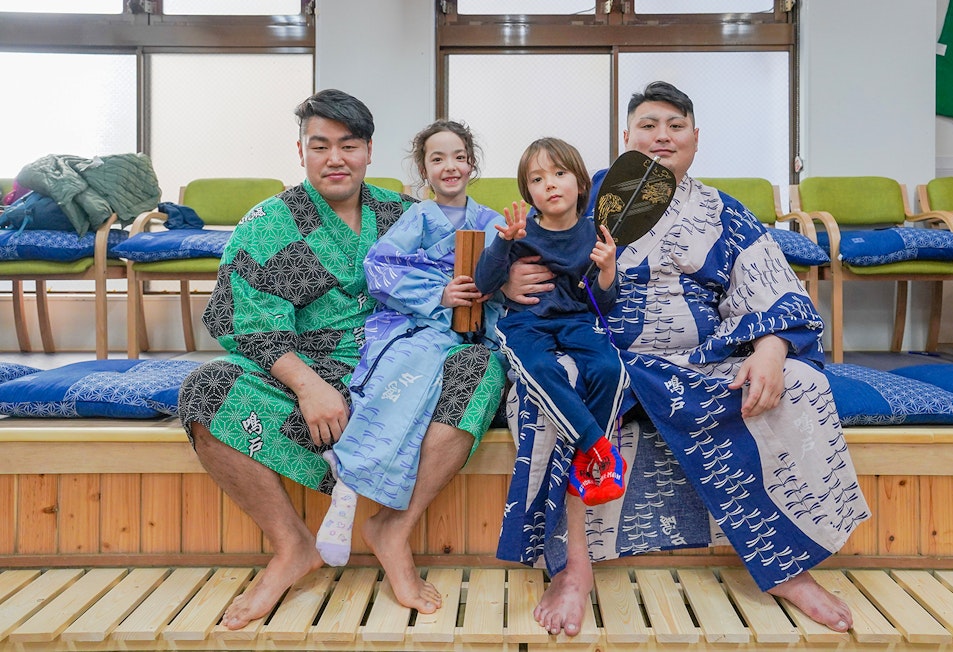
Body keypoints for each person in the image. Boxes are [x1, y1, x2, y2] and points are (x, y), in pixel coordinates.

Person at [496, 81, 871, 636]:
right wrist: (508, 276)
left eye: (675, 126)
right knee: (555, 390)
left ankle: (787, 564)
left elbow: (775, 288)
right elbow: (518, 242)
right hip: (593, 346)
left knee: (797, 382)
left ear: (695, 138)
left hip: (697, 359)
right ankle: (574, 566)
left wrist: (771, 347)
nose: (662, 136)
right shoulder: (584, 194)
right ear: (626, 137)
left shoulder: (723, 211)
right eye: (648, 125)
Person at [177, 91, 504, 630]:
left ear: (369, 150)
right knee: (206, 387)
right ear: (301, 151)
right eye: (320, 145)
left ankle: (394, 527)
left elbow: (475, 271)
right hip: (312, 378)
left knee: (481, 367)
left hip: (403, 367)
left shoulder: (405, 212)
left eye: (348, 145)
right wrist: (308, 386)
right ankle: (291, 546)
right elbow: (245, 321)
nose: (336, 158)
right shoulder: (270, 222)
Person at [316, 119, 506, 566]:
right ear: (424, 170)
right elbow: (379, 267)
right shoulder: (417, 217)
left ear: (471, 164)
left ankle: (351, 477)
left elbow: (510, 274)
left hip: (473, 333)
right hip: (420, 324)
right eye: (437, 159)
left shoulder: (493, 222)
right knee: (406, 376)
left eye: (458, 157)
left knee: (438, 390)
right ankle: (347, 488)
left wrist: (490, 286)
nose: (450, 167)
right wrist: (439, 294)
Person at [473, 137, 627, 506]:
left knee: (609, 368)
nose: (551, 184)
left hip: (576, 320)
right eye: (538, 179)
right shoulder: (521, 231)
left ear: (580, 182)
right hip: (526, 323)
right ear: (528, 192)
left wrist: (608, 269)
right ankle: (599, 451)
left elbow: (602, 303)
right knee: (541, 367)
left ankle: (586, 460)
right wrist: (502, 246)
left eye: (560, 173)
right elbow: (483, 283)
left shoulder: (595, 232)